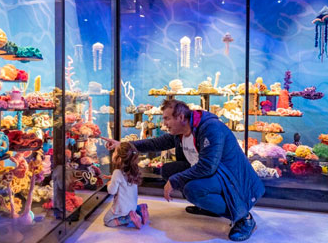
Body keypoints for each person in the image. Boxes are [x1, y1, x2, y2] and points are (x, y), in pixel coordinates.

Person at [103, 99, 264, 241]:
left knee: (192, 190)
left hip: (230, 176)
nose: (164, 123)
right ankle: (211, 208)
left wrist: (175, 181)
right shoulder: (181, 132)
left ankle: (244, 218)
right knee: (168, 170)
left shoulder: (210, 128)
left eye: (166, 118)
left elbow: (208, 166)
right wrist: (124, 145)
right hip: (214, 173)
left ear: (180, 117)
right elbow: (156, 143)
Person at [103, 142, 150, 229]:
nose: (112, 154)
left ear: (119, 158)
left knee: (107, 220)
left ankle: (128, 218)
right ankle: (140, 208)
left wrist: (109, 183)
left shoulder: (117, 172)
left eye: (114, 152)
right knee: (130, 207)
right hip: (133, 205)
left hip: (121, 208)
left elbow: (111, 191)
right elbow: (123, 181)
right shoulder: (133, 171)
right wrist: (113, 178)